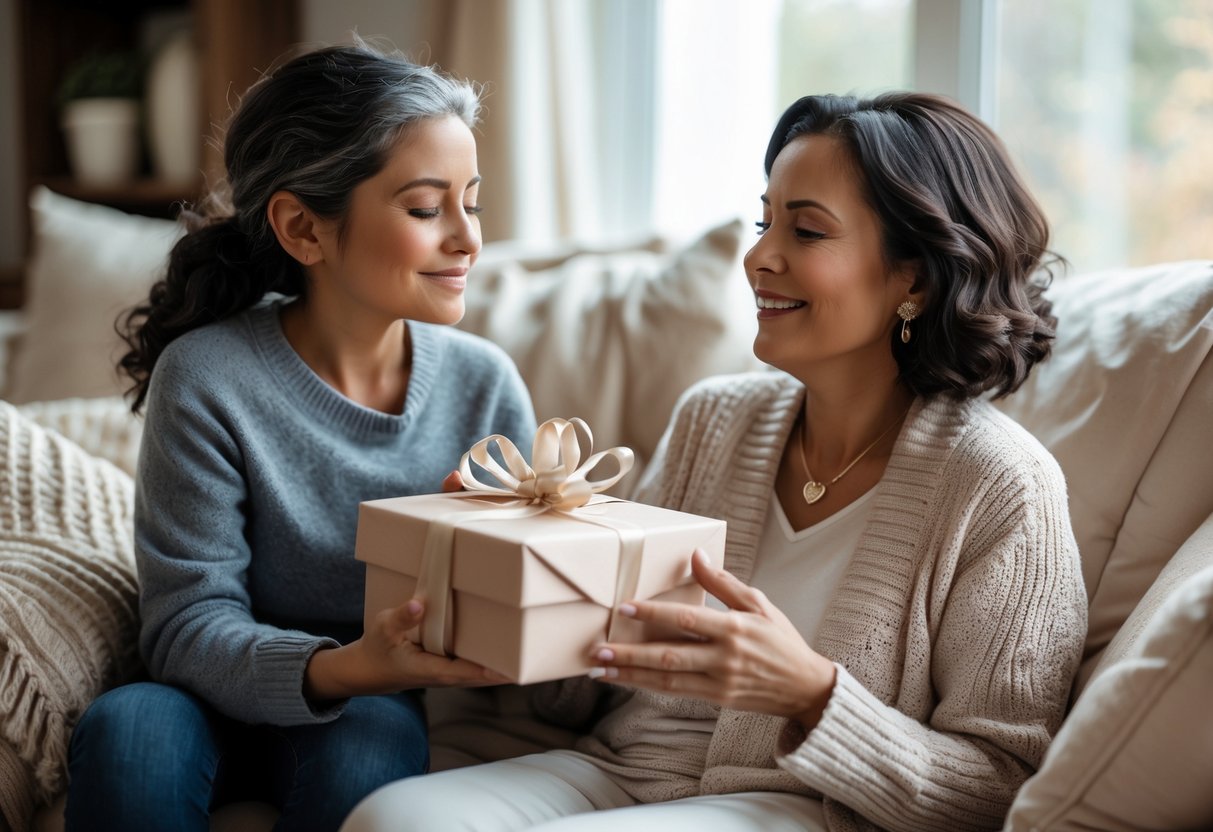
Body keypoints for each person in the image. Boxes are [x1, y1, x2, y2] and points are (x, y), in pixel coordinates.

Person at [342, 92, 1088, 832]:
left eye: (805, 231)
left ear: (914, 278)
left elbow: (1003, 785)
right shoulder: (715, 418)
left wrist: (812, 696)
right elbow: (593, 675)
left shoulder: (999, 485)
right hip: (623, 768)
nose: (760, 256)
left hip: (807, 802)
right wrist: (519, 568)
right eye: (766, 222)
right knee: (391, 818)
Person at [63, 43, 536, 831]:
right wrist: (351, 663)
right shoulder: (208, 375)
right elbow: (184, 627)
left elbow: (518, 628)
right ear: (302, 228)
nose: (467, 239)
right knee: (130, 728)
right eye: (426, 208)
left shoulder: (484, 385)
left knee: (370, 742)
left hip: (369, 704)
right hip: (203, 689)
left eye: (472, 203)